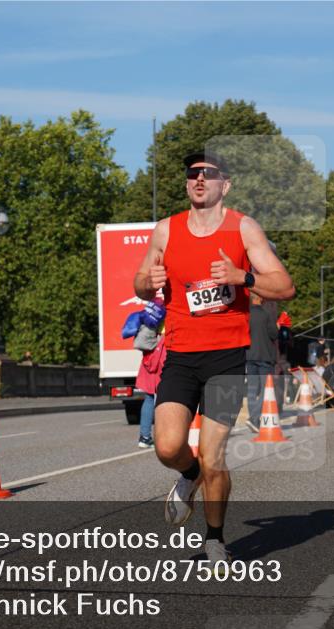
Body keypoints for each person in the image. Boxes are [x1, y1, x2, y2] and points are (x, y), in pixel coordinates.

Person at [133, 150, 294, 565]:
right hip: (182, 355)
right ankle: (188, 476)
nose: (199, 179)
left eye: (209, 174)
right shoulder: (166, 231)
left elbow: (284, 285)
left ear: (226, 184)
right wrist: (146, 283)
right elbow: (140, 282)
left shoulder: (244, 229)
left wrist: (245, 278)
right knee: (168, 447)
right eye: (192, 174)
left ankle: (215, 540)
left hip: (226, 358)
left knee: (214, 455)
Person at [246, 292, 278, 431]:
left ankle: (254, 419)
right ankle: (254, 417)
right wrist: (278, 327)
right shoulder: (266, 314)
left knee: (252, 390)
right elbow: (274, 334)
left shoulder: (245, 315)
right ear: (260, 298)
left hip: (249, 356)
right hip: (265, 356)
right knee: (266, 389)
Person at [135, 328, 166, 448]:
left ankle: (145, 437)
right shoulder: (171, 310)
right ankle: (166, 438)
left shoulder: (154, 312)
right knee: (169, 398)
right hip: (166, 348)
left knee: (149, 397)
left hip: (152, 351)